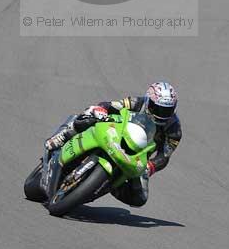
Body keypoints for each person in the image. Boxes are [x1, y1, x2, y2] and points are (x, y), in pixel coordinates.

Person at [45, 81, 181, 207]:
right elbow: (110, 105)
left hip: (138, 156)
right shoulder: (136, 102)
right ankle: (65, 134)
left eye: (166, 110)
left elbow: (165, 155)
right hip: (118, 134)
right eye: (157, 108)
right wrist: (102, 110)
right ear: (148, 101)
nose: (161, 114)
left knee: (140, 198)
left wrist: (151, 166)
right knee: (90, 116)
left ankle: (109, 185)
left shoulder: (174, 130)